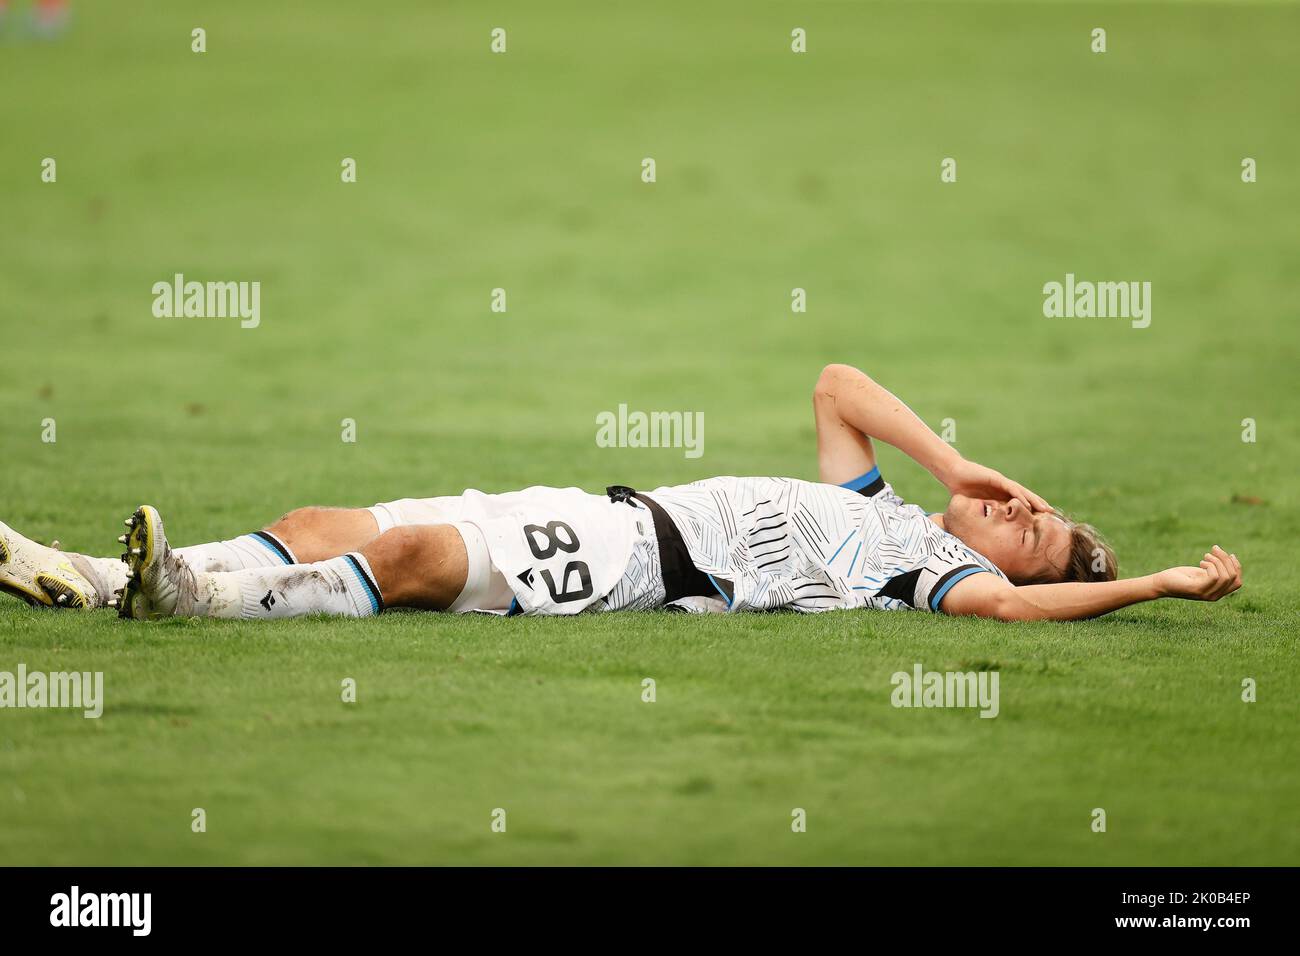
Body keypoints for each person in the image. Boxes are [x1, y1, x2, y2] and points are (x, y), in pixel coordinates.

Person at [0, 364, 1242, 622]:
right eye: (1032, 502)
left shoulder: (922, 571)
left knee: (426, 554)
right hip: (593, 503)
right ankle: (95, 573)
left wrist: (1149, 582)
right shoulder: (889, 504)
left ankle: (181, 601)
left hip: (642, 565)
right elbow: (835, 383)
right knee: (332, 523)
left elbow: (1011, 611)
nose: (1021, 514)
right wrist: (953, 464)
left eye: (1038, 537)